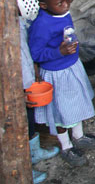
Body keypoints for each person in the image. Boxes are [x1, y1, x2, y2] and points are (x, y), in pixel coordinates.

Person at [28, 0, 95, 167]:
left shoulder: (62, 11)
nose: (66, 4)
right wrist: (58, 51)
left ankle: (78, 136)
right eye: (60, 2)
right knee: (61, 114)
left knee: (75, 105)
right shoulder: (41, 25)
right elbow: (35, 54)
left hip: (72, 67)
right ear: (44, 5)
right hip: (56, 75)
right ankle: (66, 146)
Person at [20, 17, 59, 183]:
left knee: (28, 120)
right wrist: (15, 95)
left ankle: (33, 153)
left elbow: (26, 50)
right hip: (11, 93)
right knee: (14, 127)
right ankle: (19, 169)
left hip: (25, 80)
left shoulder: (17, 22)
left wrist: (35, 71)